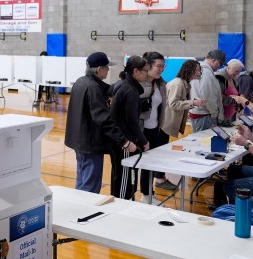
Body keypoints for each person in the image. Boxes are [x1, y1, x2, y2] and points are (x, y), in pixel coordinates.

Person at [65, 51, 135, 193]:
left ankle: (78, 207)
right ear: (99, 69)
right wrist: (124, 141)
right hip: (90, 143)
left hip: (79, 141)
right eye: (106, 67)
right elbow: (103, 119)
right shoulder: (93, 87)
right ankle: (85, 213)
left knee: (82, 180)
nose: (108, 70)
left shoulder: (82, 81)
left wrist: (125, 79)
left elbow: (108, 89)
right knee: (90, 186)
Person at [111, 55, 151, 200]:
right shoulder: (130, 90)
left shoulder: (123, 84)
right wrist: (144, 140)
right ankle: (121, 205)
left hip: (121, 139)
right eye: (145, 70)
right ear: (136, 71)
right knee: (124, 178)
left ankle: (123, 201)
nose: (147, 74)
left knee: (121, 175)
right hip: (125, 141)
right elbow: (131, 121)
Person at [139, 51, 173, 193]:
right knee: (138, 165)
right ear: (148, 66)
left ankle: (148, 195)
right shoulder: (139, 84)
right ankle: (141, 195)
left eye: (163, 66)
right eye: (158, 66)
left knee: (150, 164)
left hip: (154, 129)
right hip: (140, 130)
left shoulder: (160, 84)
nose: (161, 69)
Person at [162, 59, 207, 138]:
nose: (199, 73)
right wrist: (193, 102)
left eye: (199, 70)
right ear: (188, 70)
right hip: (165, 126)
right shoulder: (178, 84)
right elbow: (173, 104)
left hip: (169, 124)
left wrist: (193, 102)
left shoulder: (184, 83)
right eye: (196, 70)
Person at [189, 49, 226, 132]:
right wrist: (214, 113)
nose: (220, 67)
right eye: (220, 64)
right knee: (203, 142)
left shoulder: (197, 69)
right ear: (214, 60)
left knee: (199, 140)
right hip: (204, 114)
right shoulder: (206, 73)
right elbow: (208, 96)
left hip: (198, 111)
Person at [215, 58, 244, 126]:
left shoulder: (233, 78)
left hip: (229, 118)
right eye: (236, 71)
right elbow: (219, 98)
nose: (238, 74)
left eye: (239, 72)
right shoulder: (220, 78)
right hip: (220, 118)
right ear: (228, 68)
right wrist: (235, 101)